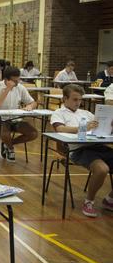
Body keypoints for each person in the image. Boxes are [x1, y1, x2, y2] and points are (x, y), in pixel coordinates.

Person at [51, 84, 113, 217]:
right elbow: (60, 129)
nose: (78, 103)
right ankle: (89, 201)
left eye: (80, 100)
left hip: (97, 145)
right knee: (102, 169)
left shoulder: (86, 113)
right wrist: (82, 127)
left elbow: (100, 126)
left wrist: (108, 124)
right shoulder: (58, 113)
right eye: (74, 99)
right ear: (64, 99)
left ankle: (109, 200)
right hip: (78, 149)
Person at [0, 66, 38, 162]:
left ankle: (7, 144)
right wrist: (7, 89)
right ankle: (10, 149)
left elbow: (33, 102)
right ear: (6, 79)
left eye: (18, 79)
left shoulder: (20, 87)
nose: (17, 82)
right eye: (15, 81)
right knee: (5, 133)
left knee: (33, 133)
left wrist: (30, 106)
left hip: (15, 119)